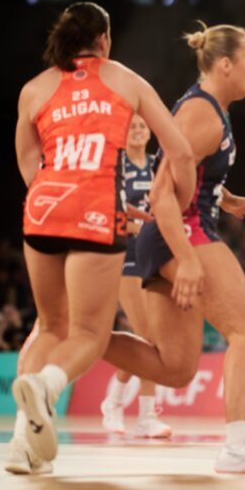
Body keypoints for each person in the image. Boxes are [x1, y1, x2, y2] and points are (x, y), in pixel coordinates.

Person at [99, 22, 245, 473]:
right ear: (225, 64)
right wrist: (186, 258)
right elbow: (162, 191)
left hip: (171, 233)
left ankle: (80, 338)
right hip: (182, 230)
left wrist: (224, 197)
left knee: (174, 368)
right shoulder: (202, 113)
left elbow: (192, 171)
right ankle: (239, 445)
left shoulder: (210, 110)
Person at [8, 2, 196, 474]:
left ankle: (21, 444)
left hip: (43, 210)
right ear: (105, 39)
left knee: (49, 327)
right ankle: (48, 387)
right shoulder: (124, 79)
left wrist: (55, 197)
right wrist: (177, 205)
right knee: (88, 334)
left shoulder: (35, 88)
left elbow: (29, 162)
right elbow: (179, 150)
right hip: (94, 210)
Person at [100, 115, 172, 439]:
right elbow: (110, 212)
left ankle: (121, 404)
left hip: (153, 254)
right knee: (147, 338)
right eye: (133, 127)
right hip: (126, 255)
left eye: (144, 126)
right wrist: (142, 227)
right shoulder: (117, 165)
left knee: (153, 339)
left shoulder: (157, 164)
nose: (139, 131)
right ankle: (134, 411)